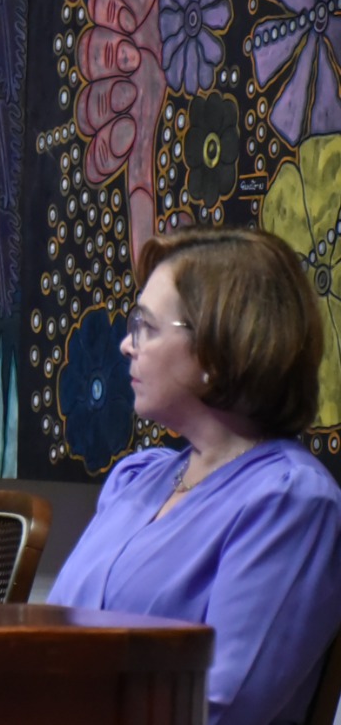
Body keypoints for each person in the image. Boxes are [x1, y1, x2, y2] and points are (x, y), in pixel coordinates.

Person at [48, 227, 341, 725]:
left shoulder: (290, 502)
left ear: (216, 349)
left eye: (145, 326)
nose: (125, 345)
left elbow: (224, 708)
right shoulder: (135, 478)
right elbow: (44, 642)